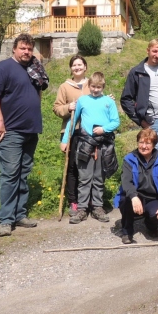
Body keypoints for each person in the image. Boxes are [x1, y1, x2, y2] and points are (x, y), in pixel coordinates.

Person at [0, 33, 46, 237]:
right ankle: (6, 219)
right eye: (23, 48)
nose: (26, 52)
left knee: (23, 173)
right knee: (10, 174)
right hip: (10, 131)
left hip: (30, 130)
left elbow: (37, 94)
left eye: (29, 49)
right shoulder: (3, 68)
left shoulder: (33, 69)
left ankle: (19, 214)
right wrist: (0, 122)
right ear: (14, 48)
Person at [61, 72, 120, 224]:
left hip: (103, 144)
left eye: (98, 87)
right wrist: (65, 139)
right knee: (84, 177)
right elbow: (72, 121)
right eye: (93, 87)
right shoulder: (83, 101)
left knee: (99, 178)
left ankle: (97, 207)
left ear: (103, 86)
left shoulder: (109, 102)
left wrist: (104, 128)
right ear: (89, 86)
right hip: (85, 143)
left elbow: (115, 122)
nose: (95, 90)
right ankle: (81, 209)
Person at [114, 128, 158, 244]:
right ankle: (127, 231)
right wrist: (133, 196)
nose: (144, 146)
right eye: (141, 142)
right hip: (135, 196)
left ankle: (151, 224)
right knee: (126, 200)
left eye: (148, 143)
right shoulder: (129, 159)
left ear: (154, 145)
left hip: (153, 198)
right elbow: (126, 182)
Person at [52, 54, 91, 217]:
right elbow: (57, 108)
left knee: (89, 167)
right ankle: (73, 201)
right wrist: (69, 107)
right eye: (74, 65)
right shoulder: (64, 87)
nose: (77, 67)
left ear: (85, 67)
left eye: (80, 65)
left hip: (90, 132)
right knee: (72, 168)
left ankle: (89, 201)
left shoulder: (92, 84)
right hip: (72, 132)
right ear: (71, 68)